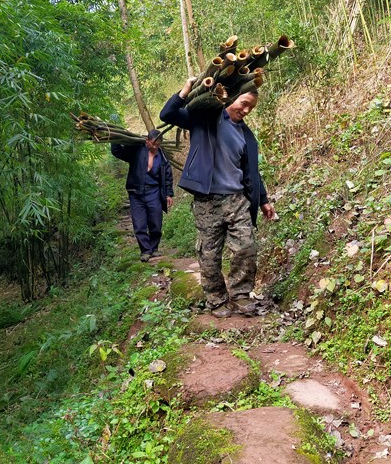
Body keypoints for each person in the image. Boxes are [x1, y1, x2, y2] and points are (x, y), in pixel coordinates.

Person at [160, 78, 276, 318]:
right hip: (207, 200)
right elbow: (168, 114)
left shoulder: (246, 135)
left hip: (238, 199)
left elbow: (252, 172)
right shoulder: (205, 118)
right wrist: (185, 91)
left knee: (246, 246)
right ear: (231, 97)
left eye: (251, 108)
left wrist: (263, 200)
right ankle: (216, 299)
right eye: (244, 103)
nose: (246, 110)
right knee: (209, 254)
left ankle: (241, 295)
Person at [111, 129, 174, 262]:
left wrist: (169, 194)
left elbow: (168, 175)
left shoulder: (162, 156)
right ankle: (145, 250)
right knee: (139, 224)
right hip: (136, 192)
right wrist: (114, 138)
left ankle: (154, 248)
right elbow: (118, 152)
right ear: (147, 141)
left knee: (156, 222)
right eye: (153, 144)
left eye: (158, 144)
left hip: (154, 192)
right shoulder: (137, 150)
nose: (155, 147)